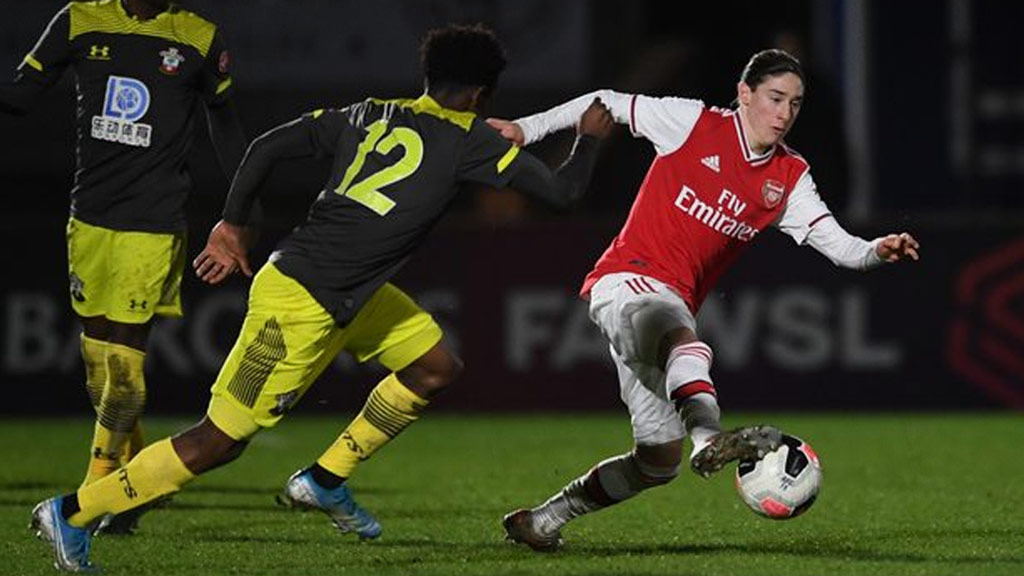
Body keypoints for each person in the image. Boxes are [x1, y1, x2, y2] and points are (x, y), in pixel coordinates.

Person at [29, 22, 614, 572]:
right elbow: (564, 194)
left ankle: (326, 480)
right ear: (481, 94)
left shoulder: (368, 113)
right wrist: (588, 138)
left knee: (433, 365)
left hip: (346, 290)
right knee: (221, 440)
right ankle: (71, 512)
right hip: (303, 300)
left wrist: (233, 224)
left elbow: (266, 147)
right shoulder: (469, 143)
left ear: (430, 79)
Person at [487, 48, 920, 551]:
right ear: (744, 94)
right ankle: (710, 438)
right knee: (679, 332)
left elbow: (840, 247)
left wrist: (875, 250)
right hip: (625, 281)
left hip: (665, 307)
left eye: (795, 104)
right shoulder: (693, 123)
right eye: (774, 98)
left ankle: (544, 520)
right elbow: (604, 102)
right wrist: (525, 129)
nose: (783, 114)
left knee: (656, 461)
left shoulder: (789, 177)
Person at [1, 0, 247, 533]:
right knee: (96, 360)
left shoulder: (197, 37)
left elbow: (225, 126)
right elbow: (21, 97)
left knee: (125, 364)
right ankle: (136, 484)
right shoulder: (78, 20)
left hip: (154, 222)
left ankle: (96, 491)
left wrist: (240, 212)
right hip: (88, 216)